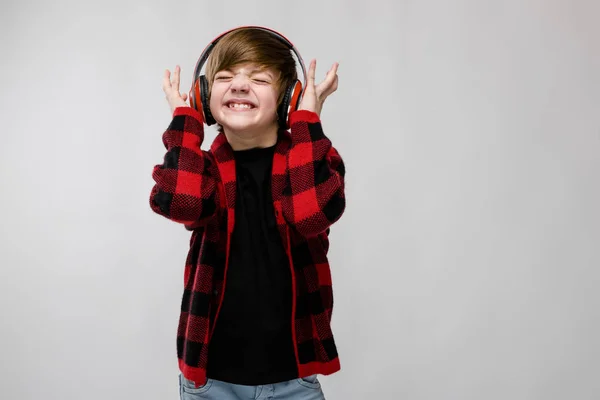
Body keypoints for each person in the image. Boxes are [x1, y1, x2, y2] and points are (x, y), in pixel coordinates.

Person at [149, 26, 346, 400]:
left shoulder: (314, 160)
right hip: (210, 383)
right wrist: (185, 120)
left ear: (289, 98)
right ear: (205, 97)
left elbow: (311, 214)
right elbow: (182, 202)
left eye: (258, 79)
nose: (239, 86)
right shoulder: (203, 169)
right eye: (224, 78)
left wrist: (306, 121)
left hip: (293, 381)